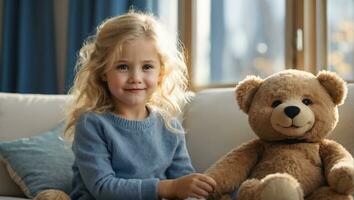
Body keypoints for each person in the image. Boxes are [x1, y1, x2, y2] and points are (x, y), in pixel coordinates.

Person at [65, 11, 216, 200]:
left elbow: (183, 182)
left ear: (161, 72)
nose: (135, 78)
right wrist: (168, 188)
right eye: (122, 67)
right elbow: (103, 187)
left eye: (147, 67)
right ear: (103, 71)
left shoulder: (169, 126)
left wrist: (197, 190)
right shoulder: (92, 124)